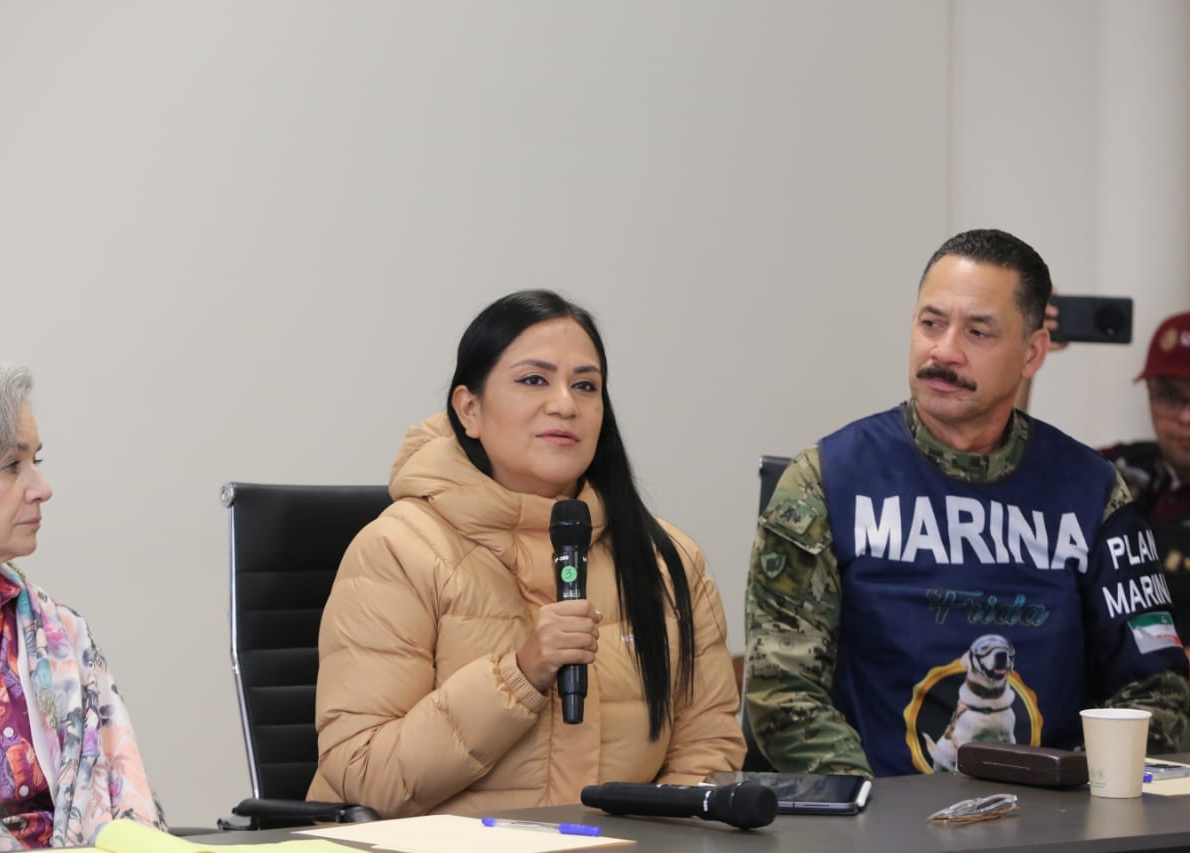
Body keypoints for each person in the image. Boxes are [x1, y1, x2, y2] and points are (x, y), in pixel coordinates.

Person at [743, 229, 1190, 779]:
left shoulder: (1093, 492)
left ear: (1032, 352)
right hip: (878, 807)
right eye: (931, 323)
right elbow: (781, 688)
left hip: (1056, 812)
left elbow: (1157, 690)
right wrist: (871, 806)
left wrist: (1076, 794)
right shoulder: (826, 480)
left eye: (977, 332)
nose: (943, 351)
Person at [307, 290, 744, 817]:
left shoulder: (668, 562)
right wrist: (520, 673)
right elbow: (363, 776)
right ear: (469, 409)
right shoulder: (398, 551)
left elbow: (707, 751)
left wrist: (655, 836)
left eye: (585, 385)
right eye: (534, 380)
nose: (565, 404)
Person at [0, 360, 164, 849]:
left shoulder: (62, 632)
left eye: (36, 461)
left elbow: (131, 814)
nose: (42, 489)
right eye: (11, 466)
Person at [1022, 310, 1190, 643]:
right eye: (1171, 395)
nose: (1186, 416)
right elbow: (1014, 478)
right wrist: (1022, 356)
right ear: (1149, 393)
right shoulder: (1120, 469)